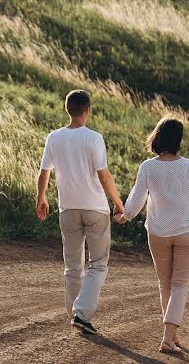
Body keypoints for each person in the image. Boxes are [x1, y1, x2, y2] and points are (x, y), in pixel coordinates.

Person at [114, 116, 189, 353]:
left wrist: (124, 217)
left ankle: (171, 334)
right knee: (180, 285)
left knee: (164, 284)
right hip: (186, 232)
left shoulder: (148, 166)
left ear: (157, 136)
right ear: (179, 139)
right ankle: (167, 339)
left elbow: (136, 200)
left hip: (157, 233)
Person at [35, 89, 124, 336]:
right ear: (88, 110)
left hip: (68, 208)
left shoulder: (54, 137)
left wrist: (41, 197)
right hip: (95, 208)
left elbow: (44, 172)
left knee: (72, 265)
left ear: (68, 109)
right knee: (98, 264)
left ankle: (74, 314)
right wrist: (118, 202)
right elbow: (103, 175)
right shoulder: (94, 138)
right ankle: (81, 314)